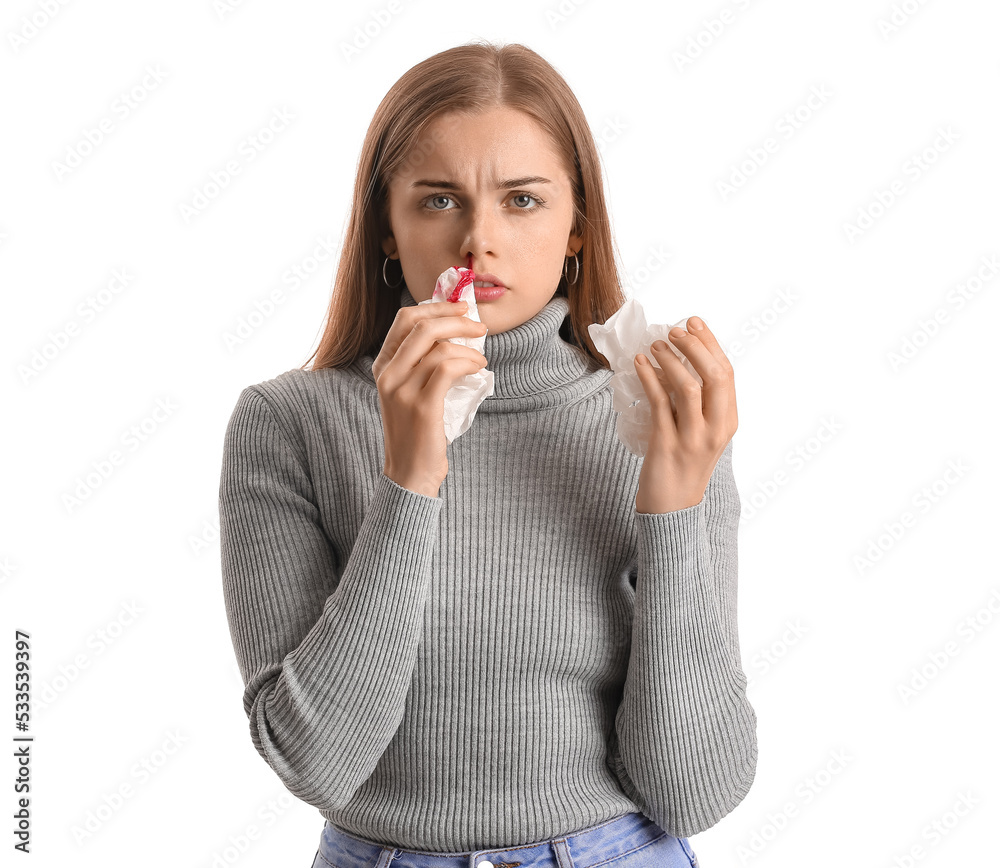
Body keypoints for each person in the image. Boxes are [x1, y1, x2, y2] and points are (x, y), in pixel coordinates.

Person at [219, 40, 756, 868]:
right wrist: (410, 474)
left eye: (523, 201)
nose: (479, 240)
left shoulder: (662, 419)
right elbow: (317, 762)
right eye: (438, 201)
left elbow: (694, 791)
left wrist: (674, 504)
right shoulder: (289, 424)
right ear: (387, 233)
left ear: (577, 228)